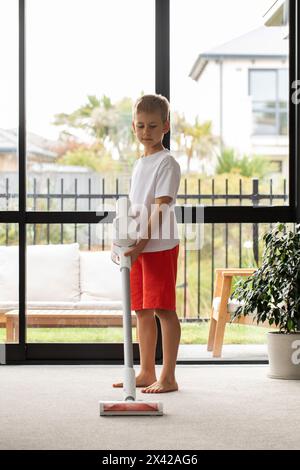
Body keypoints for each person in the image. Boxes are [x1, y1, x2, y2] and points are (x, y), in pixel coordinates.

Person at [112, 94, 181, 393]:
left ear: (165, 126)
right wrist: (124, 244)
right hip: (138, 246)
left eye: (153, 126)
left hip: (158, 246)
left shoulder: (166, 162)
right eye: (140, 126)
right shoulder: (141, 162)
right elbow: (135, 207)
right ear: (133, 126)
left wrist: (142, 243)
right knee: (141, 309)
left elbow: (160, 206)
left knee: (163, 309)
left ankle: (168, 376)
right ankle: (146, 372)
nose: (146, 132)